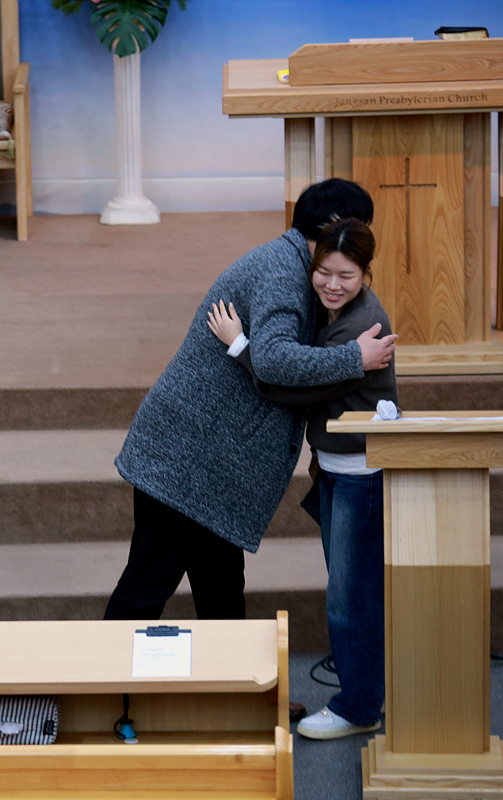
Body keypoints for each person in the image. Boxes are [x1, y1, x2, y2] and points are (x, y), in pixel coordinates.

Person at [103, 178, 397, 623]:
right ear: (334, 228)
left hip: (211, 465)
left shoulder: (294, 263)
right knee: (148, 584)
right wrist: (353, 358)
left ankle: (233, 675)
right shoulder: (284, 272)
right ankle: (105, 671)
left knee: (220, 589)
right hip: (190, 460)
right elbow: (275, 360)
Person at [207, 217, 397, 739]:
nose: (332, 284)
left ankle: (358, 708)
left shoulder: (363, 328)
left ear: (367, 273)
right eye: (324, 272)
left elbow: (290, 390)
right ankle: (365, 692)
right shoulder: (333, 311)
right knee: (351, 593)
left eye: (347, 275)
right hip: (338, 471)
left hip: (360, 478)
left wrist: (239, 345)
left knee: (350, 600)